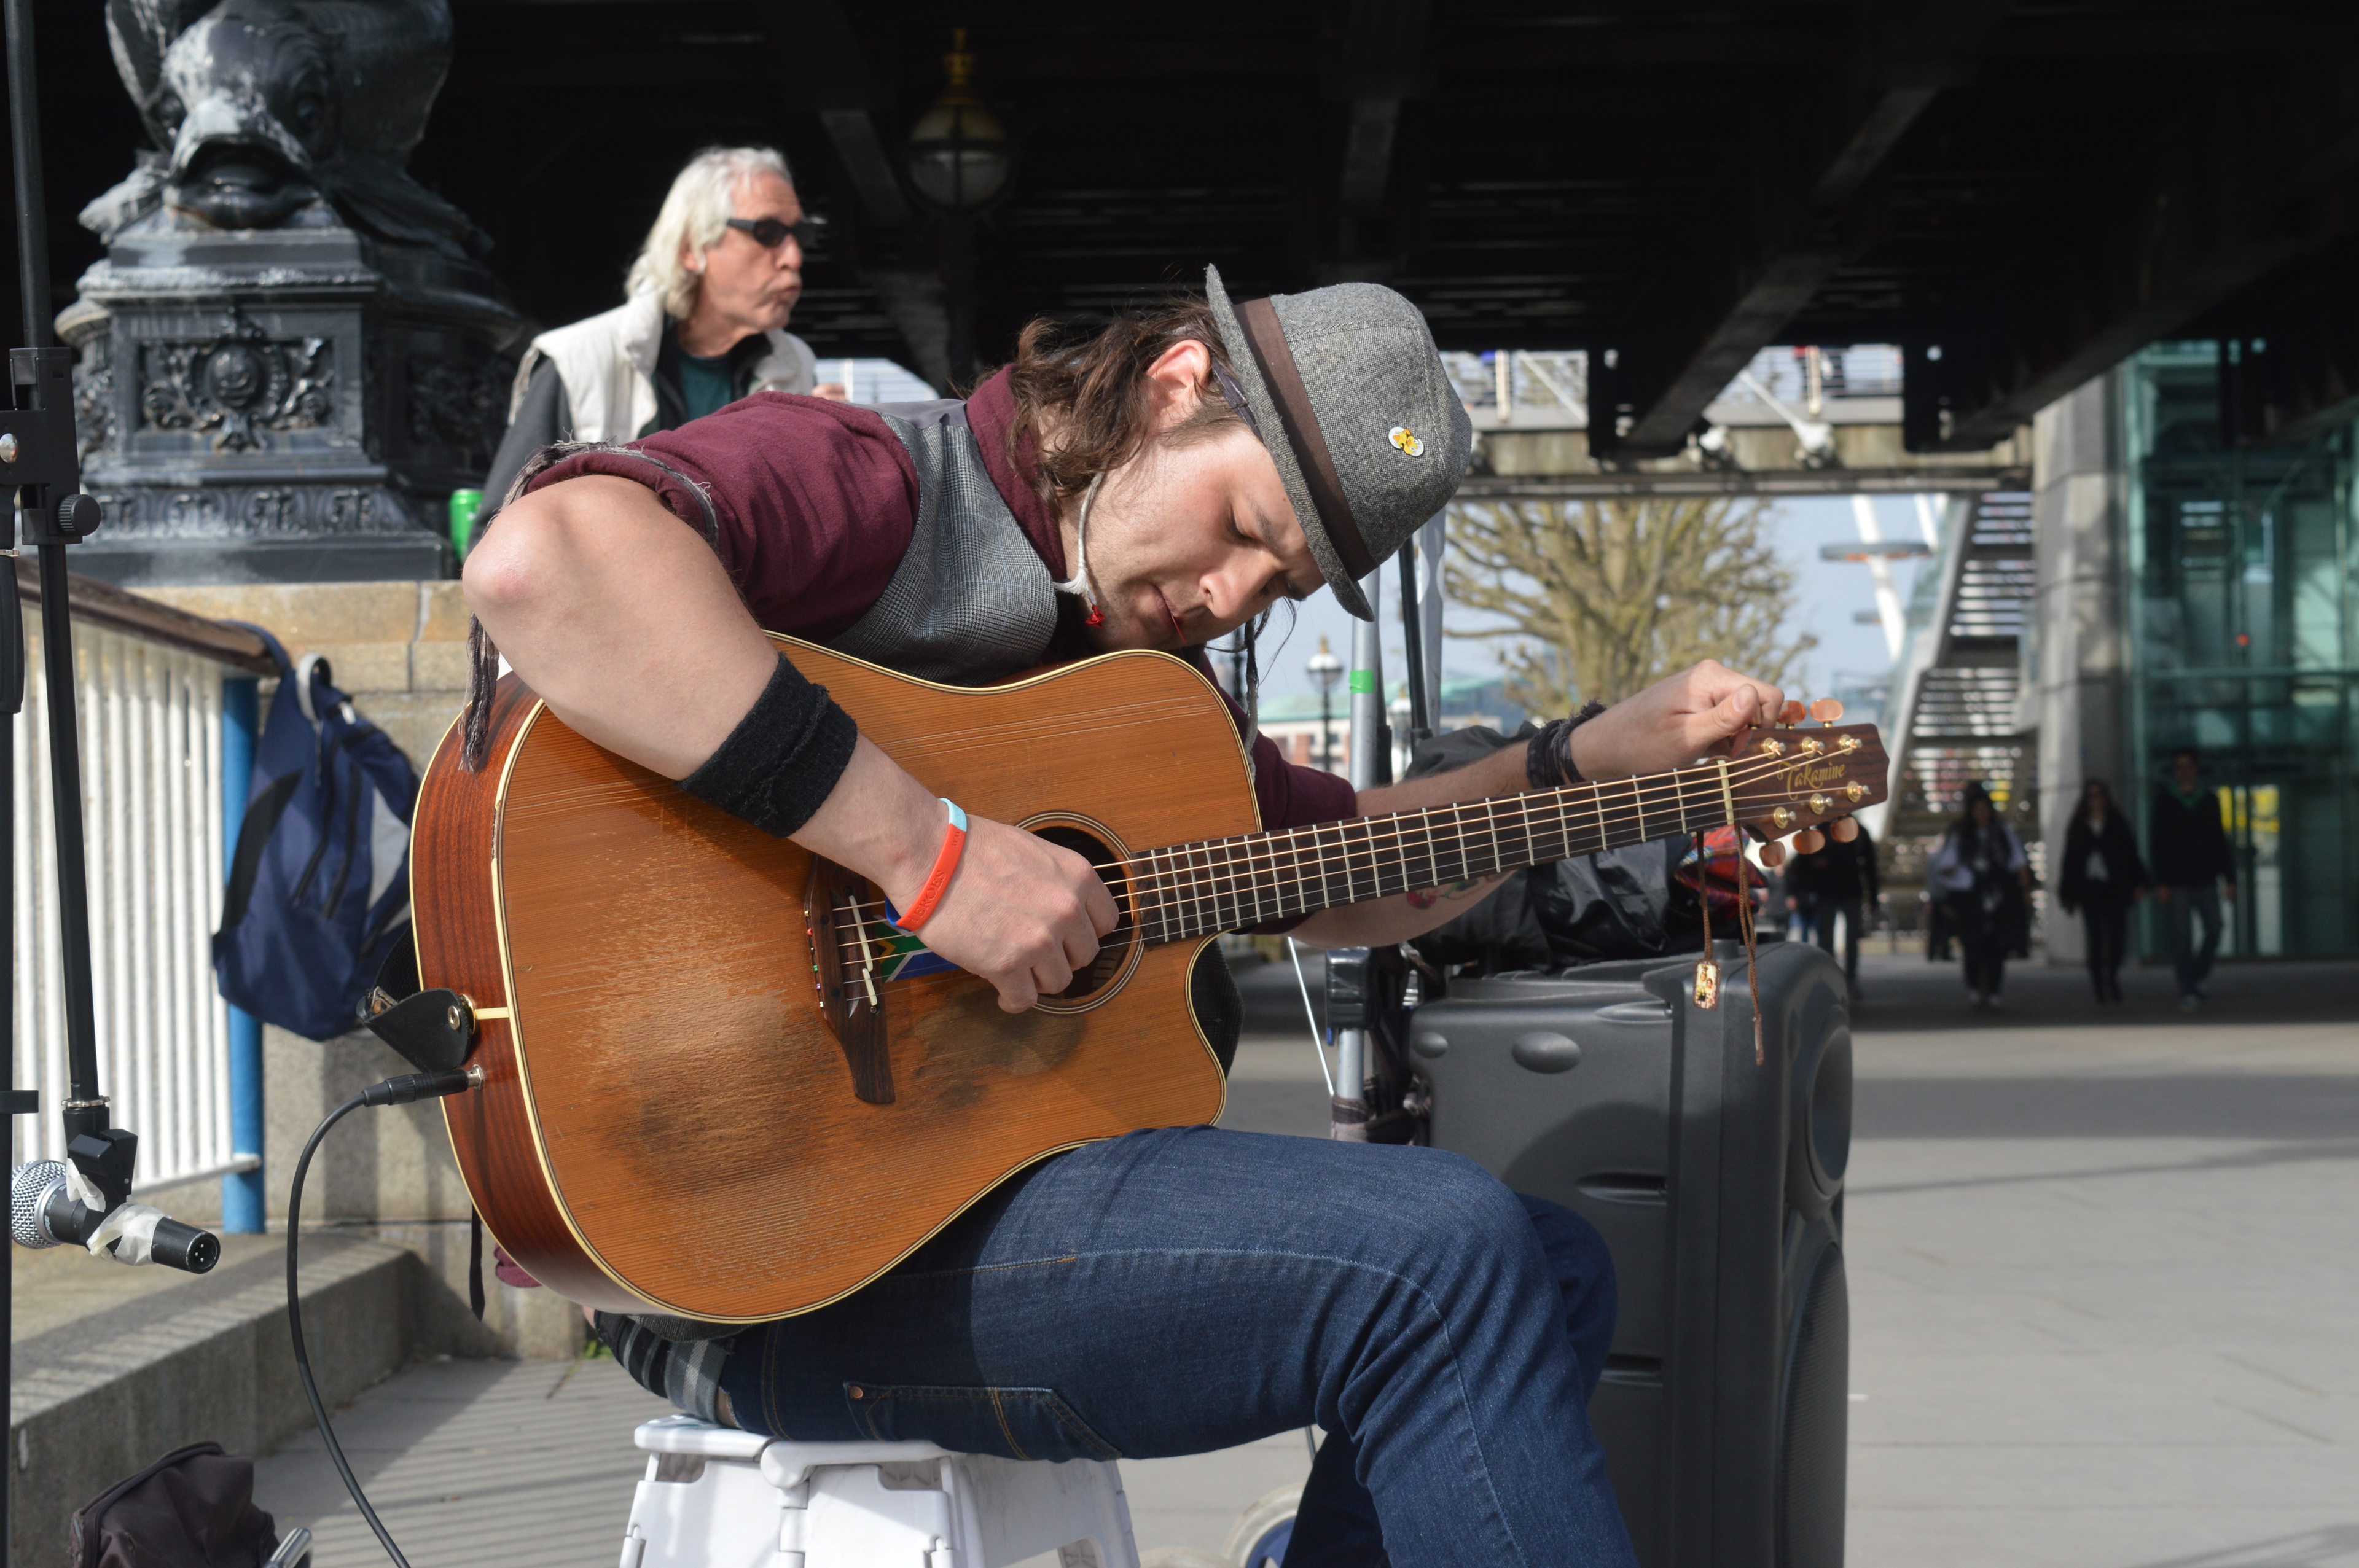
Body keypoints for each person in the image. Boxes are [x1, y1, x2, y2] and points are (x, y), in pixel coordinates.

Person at [463, 267, 1801, 1567]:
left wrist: (1585, 764)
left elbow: (1348, 869)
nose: (1227, 597)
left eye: (1277, 587)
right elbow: (547, 561)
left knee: (1548, 1268)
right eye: (1243, 527)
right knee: (1444, 1249)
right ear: (1174, 385)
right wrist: (928, 857)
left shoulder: (1142, 691)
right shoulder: (885, 479)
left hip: (957, 1216)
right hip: (750, 1265)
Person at [478, 146, 844, 521]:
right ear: (692, 249)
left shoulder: (795, 365)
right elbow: (499, 529)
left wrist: (833, 461)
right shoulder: (577, 363)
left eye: (801, 234)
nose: (794, 258)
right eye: (768, 233)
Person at [2149, 747, 2235, 1012]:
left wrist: (2230, 879)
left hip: (2206, 879)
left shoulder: (2209, 800)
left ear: (2196, 769)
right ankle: (2187, 988)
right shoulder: (2165, 801)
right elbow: (2158, 844)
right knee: (2181, 938)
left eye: (2188, 766)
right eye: (2179, 767)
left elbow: (2220, 841)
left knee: (2215, 929)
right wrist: (2161, 882)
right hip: (2177, 882)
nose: (2184, 771)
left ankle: (2196, 976)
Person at [1928, 783, 2029, 1010]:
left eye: (1985, 809)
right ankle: (1973, 987)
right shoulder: (1961, 835)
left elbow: (2018, 862)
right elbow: (1945, 865)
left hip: (1998, 895)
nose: (1982, 814)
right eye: (1977, 810)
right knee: (1972, 945)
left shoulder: (2002, 833)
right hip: (1970, 897)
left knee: (1996, 946)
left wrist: (2024, 890)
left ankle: (1994, 990)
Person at [2057, 778, 2146, 1004]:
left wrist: (2140, 882)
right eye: (2091, 796)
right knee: (2096, 940)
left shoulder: (2118, 824)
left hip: (2114, 888)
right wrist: (2067, 893)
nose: (2096, 800)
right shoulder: (2078, 826)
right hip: (2090, 889)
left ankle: (2112, 977)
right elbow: (2070, 861)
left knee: (2117, 939)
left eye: (2099, 795)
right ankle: (2098, 984)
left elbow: (2130, 855)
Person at [1785, 817, 1877, 997]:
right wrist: (1813, 864)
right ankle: (1833, 978)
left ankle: (1845, 979)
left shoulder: (1854, 830)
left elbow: (1870, 866)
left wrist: (1873, 897)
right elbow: (1801, 860)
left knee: (1845, 938)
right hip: (1830, 891)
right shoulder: (1827, 829)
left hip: (1845, 891)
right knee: (1829, 938)